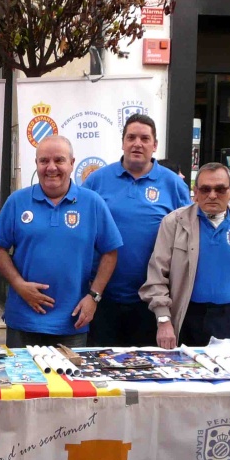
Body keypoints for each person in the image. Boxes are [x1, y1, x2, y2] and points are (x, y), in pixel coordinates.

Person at [0, 135, 122, 347]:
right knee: (22, 381)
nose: (51, 167)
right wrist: (18, 284)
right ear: (36, 164)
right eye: (44, 161)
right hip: (23, 320)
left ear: (72, 163)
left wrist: (94, 297)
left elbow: (110, 252)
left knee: (69, 381)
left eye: (59, 160)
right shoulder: (17, 201)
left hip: (72, 321)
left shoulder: (92, 203)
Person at [140, 163, 230, 348]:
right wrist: (164, 320)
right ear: (195, 192)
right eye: (205, 189)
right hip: (187, 316)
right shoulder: (174, 223)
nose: (212, 195)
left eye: (220, 189)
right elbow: (157, 275)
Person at [82, 114, 191, 346]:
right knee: (102, 371)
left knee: (146, 373)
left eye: (144, 138)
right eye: (131, 137)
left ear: (155, 145)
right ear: (122, 142)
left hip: (152, 302)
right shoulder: (96, 181)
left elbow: (189, 239)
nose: (137, 143)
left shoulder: (173, 184)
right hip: (102, 298)